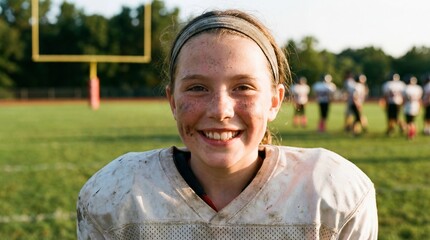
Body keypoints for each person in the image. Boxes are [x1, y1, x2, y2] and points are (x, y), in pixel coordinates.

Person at [77, 10, 378, 239]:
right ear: (172, 101)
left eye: (243, 87)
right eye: (197, 88)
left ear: (274, 101)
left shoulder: (330, 193)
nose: (220, 110)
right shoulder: (116, 196)